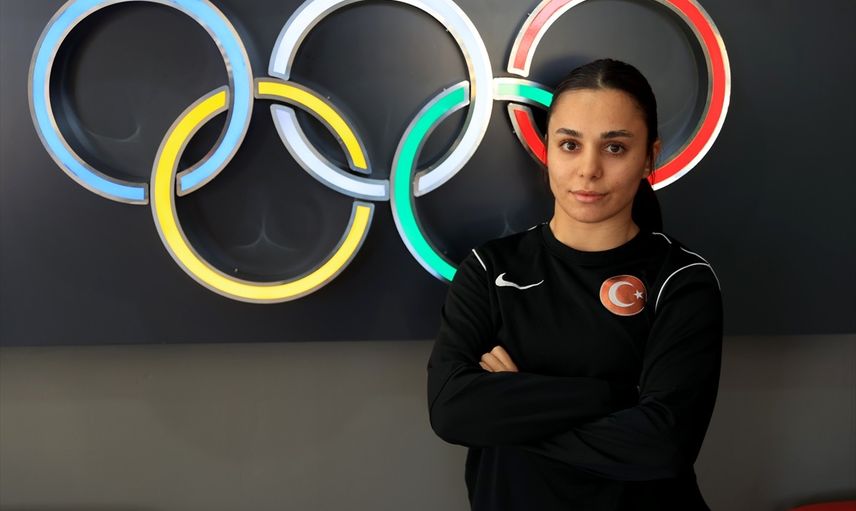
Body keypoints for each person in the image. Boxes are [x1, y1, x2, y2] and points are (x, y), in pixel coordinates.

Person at [426, 59, 723, 510]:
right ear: (547, 149)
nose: (588, 169)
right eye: (570, 144)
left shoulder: (680, 279)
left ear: (649, 157)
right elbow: (452, 411)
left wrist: (515, 407)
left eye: (615, 148)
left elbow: (663, 445)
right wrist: (616, 396)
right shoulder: (489, 268)